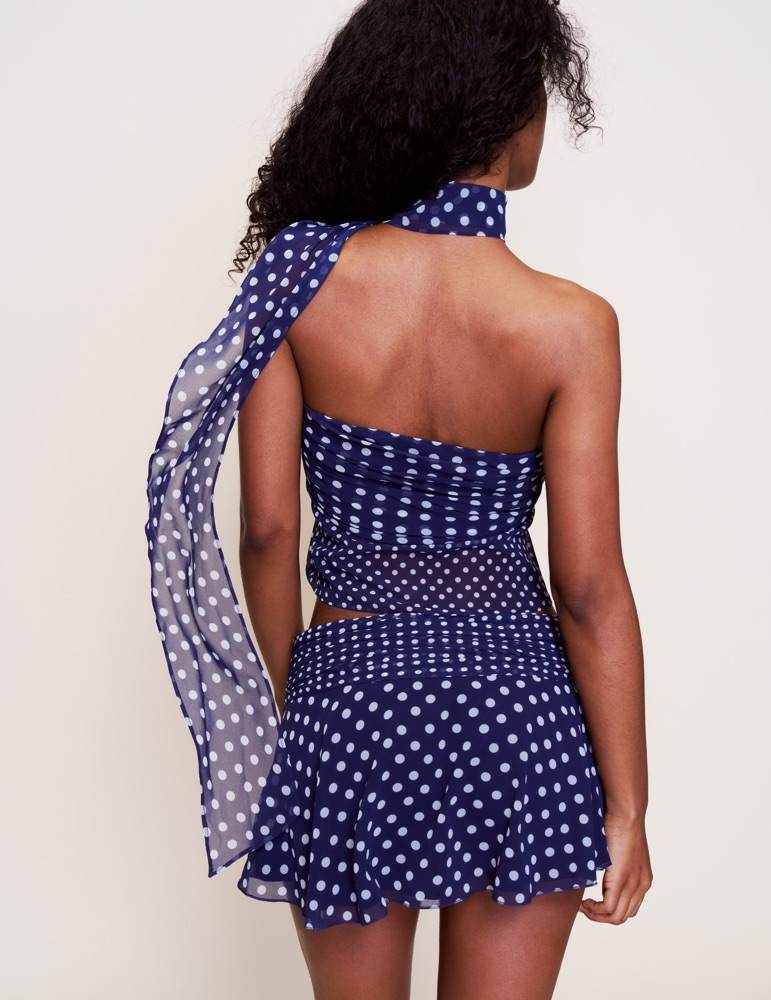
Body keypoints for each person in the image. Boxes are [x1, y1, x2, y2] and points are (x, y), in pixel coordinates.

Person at [145, 1, 652, 997]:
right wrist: (628, 804)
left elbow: (267, 531)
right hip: (517, 707)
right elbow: (589, 589)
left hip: (351, 693)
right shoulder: (572, 325)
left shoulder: (297, 280)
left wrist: (305, 706)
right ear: (504, 115)